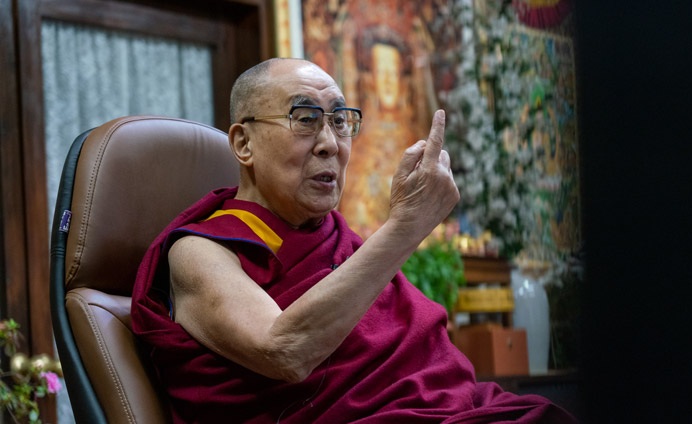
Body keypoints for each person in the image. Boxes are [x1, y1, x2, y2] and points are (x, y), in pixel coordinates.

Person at [131, 58, 576, 423]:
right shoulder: (200, 251)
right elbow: (284, 350)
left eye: (340, 122)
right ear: (244, 143)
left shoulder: (338, 242)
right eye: (305, 120)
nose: (330, 144)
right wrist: (405, 227)